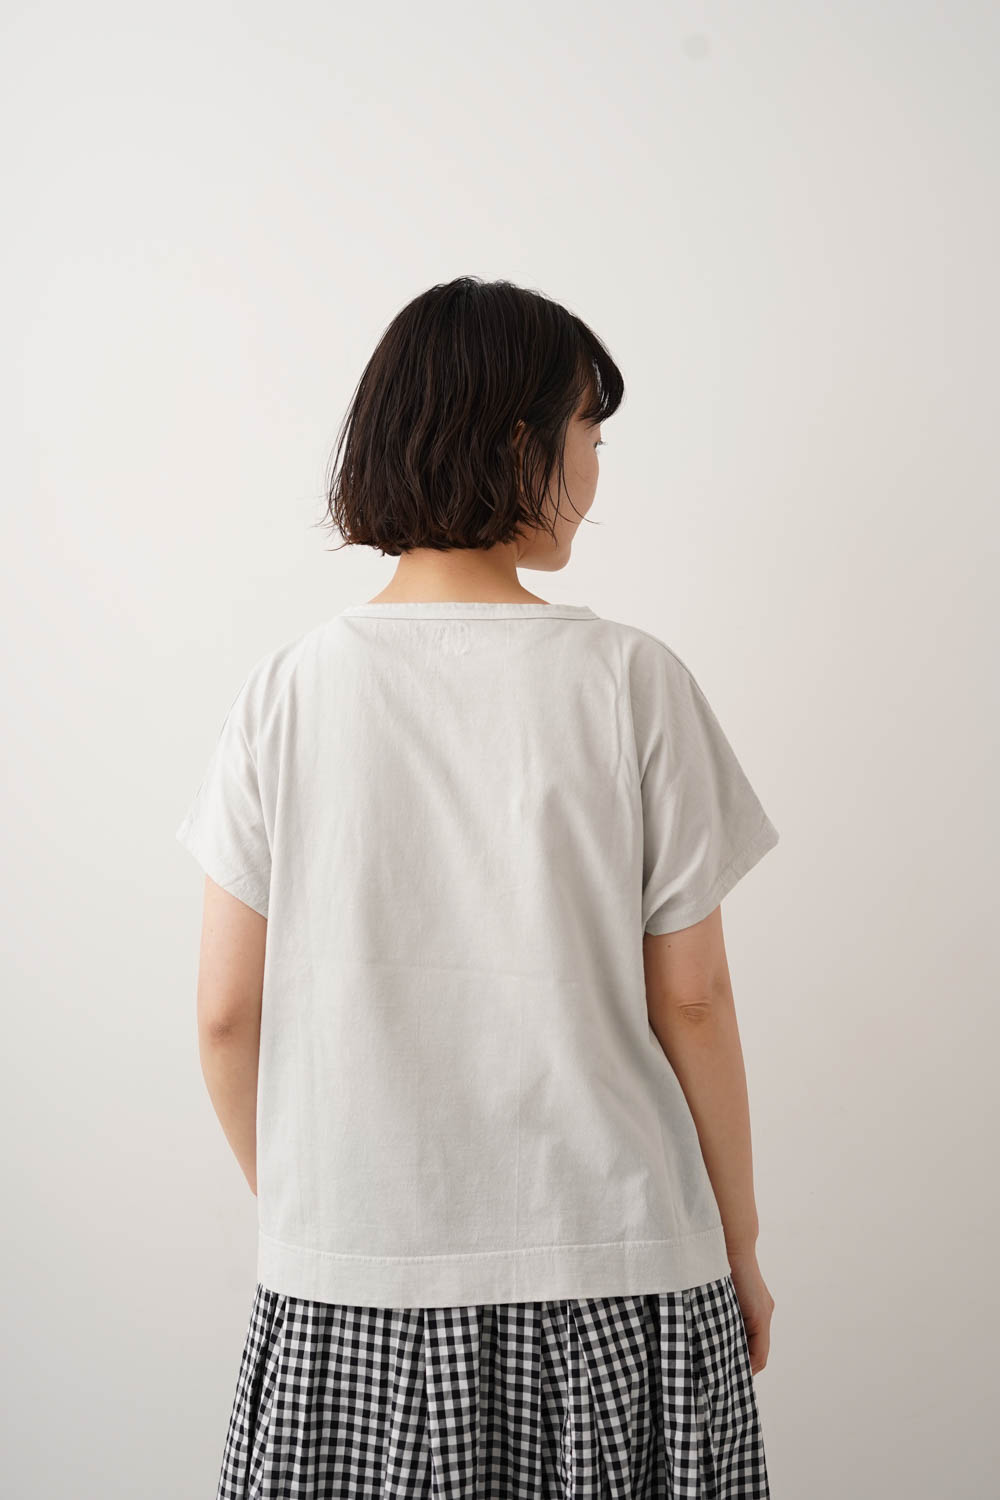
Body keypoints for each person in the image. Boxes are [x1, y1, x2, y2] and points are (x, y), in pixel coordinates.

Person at [176, 276, 780, 1499]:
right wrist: (741, 1242)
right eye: (588, 434)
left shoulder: (286, 693)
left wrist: (321, 1206)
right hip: (618, 1280)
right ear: (520, 443)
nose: (594, 470)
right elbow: (694, 999)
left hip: (352, 1295)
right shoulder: (630, 683)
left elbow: (225, 1013)